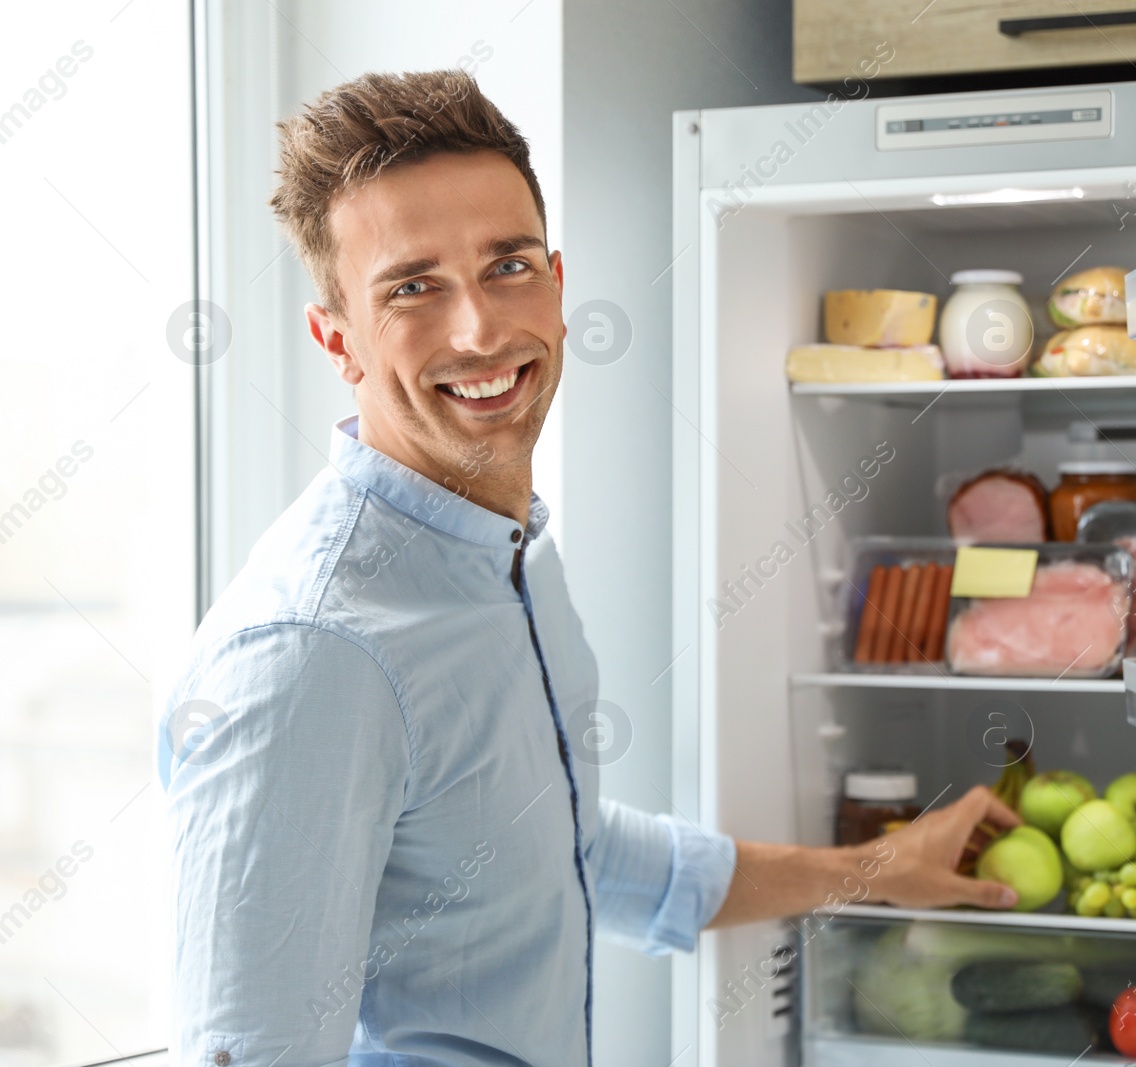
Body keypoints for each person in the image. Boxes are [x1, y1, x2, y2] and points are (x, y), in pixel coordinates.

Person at [160, 69, 1019, 1067]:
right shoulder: (312, 655)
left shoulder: (505, 554)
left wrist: (874, 865)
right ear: (335, 337)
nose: (480, 329)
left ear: (559, 285)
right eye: (413, 287)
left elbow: (557, 851)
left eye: (508, 265)